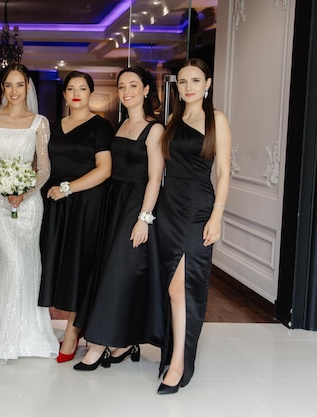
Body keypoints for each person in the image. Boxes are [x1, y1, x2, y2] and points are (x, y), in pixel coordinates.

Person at [73, 66, 165, 371]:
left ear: (147, 90)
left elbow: (155, 178)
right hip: (113, 203)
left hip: (136, 206)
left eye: (133, 86)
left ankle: (98, 343)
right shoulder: (121, 124)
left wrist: (144, 218)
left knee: (118, 272)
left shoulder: (155, 130)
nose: (127, 91)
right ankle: (123, 341)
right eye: (122, 86)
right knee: (109, 273)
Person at [0, 63, 59, 362]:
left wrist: (25, 191)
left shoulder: (39, 122)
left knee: (28, 261)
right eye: (9, 85)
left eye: (20, 85)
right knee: (9, 261)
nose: (14, 91)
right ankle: (2, 337)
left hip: (30, 203)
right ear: (2, 88)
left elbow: (44, 167)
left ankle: (29, 335)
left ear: (28, 87)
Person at [156, 58, 231, 394]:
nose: (188, 87)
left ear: (208, 84)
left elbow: (226, 173)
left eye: (195, 81)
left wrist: (217, 215)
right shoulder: (173, 120)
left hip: (199, 208)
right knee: (171, 286)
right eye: (183, 82)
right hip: (169, 208)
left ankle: (180, 362)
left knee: (183, 288)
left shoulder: (217, 120)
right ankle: (175, 355)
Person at [38, 71, 113, 363]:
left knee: (80, 266)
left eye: (83, 88)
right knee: (56, 265)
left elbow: (104, 169)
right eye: (71, 88)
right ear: (64, 94)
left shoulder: (100, 126)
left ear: (90, 93)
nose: (77, 93)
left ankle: (73, 330)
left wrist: (68, 188)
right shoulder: (52, 127)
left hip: (86, 202)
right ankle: (50, 328)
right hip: (55, 204)